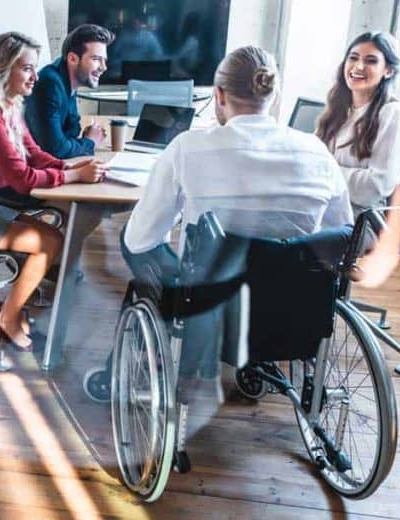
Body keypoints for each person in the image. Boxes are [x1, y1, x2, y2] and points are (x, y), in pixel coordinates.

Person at [122, 45, 353, 388]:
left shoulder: (188, 147)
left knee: (133, 238)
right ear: (274, 96)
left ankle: (159, 350)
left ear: (218, 95)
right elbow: (340, 234)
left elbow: (141, 240)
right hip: (294, 309)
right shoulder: (317, 152)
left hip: (209, 308)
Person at [0, 31, 108, 351]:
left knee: (54, 239)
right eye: (27, 68)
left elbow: (35, 154)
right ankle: (6, 319)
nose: (36, 77)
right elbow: (22, 179)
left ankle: (11, 312)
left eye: (35, 68)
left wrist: (69, 168)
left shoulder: (9, 107)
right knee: (49, 242)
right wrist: (75, 175)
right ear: (3, 69)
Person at [316, 31, 400, 213]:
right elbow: (313, 156)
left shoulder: (393, 112)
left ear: (388, 71)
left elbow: (375, 188)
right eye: (353, 58)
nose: (358, 66)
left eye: (371, 61)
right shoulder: (340, 106)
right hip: (324, 203)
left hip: (356, 219)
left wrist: (321, 171)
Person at [23, 24, 114, 159]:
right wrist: (90, 142)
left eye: (104, 60)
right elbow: (56, 149)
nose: (103, 67)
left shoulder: (69, 79)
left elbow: (71, 130)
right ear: (72, 59)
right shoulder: (50, 84)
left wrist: (80, 141)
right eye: (96, 59)